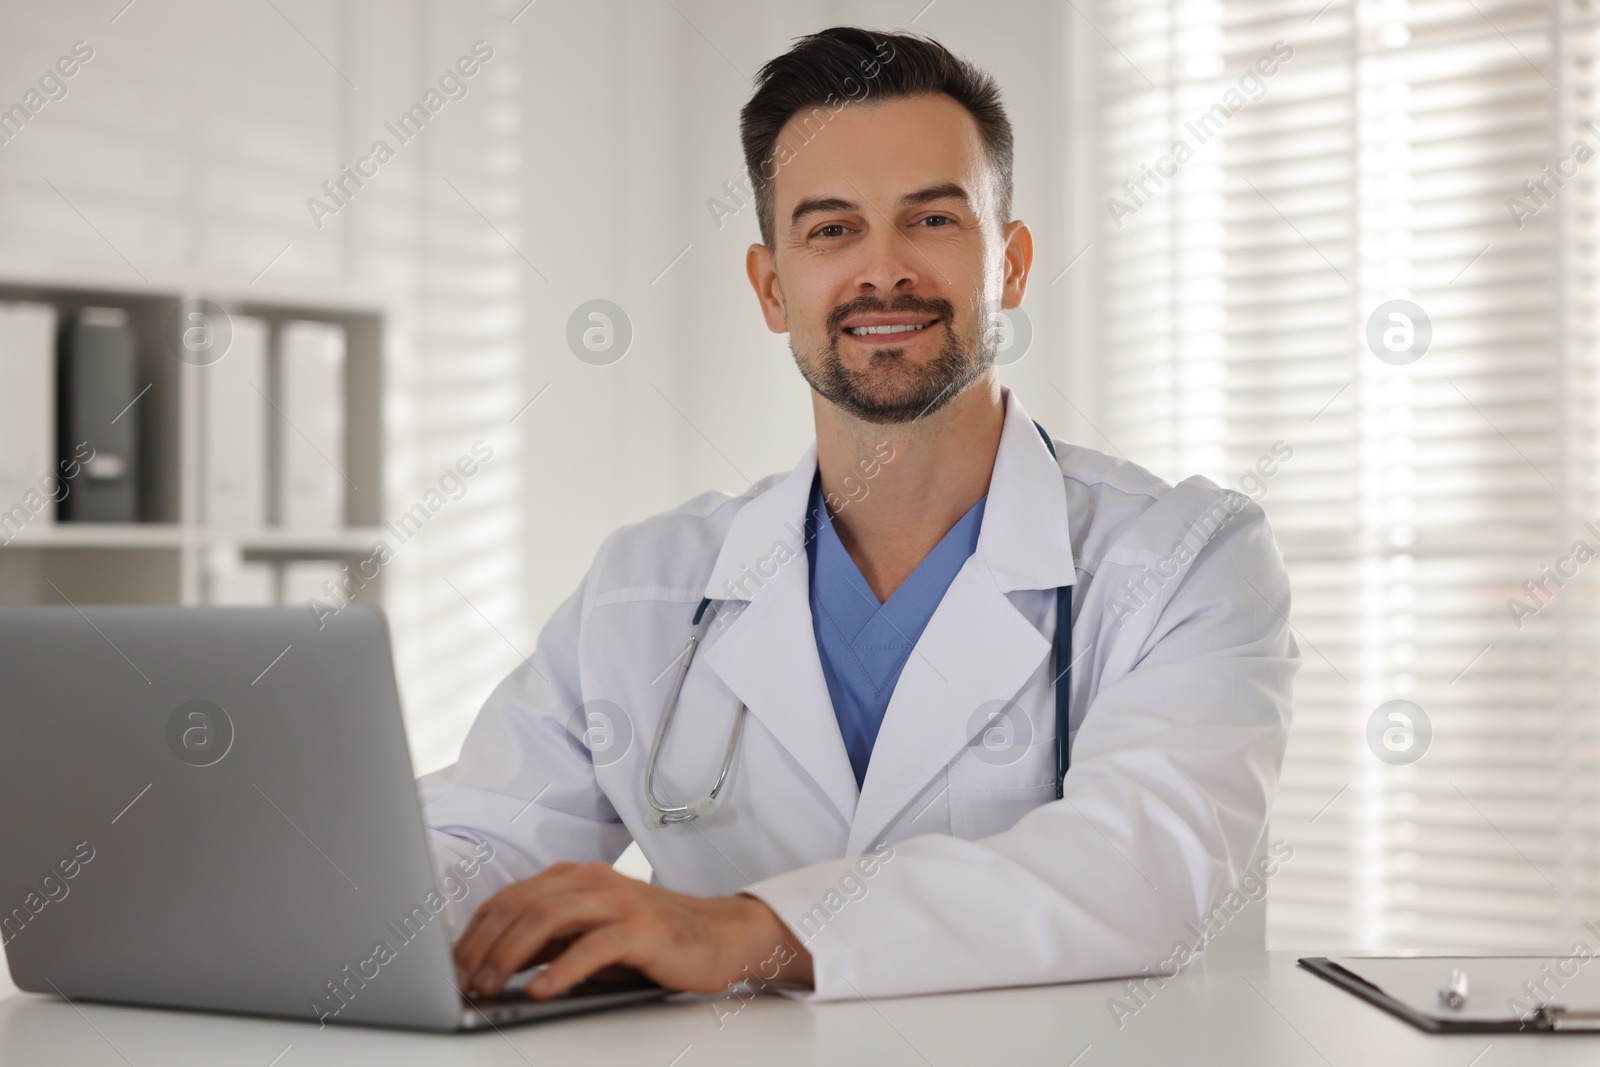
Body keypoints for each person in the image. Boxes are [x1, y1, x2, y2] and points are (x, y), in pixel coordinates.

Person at [421, 26, 1298, 1004]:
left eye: (931, 220)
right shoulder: (645, 587)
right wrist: (383, 904)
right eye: (830, 229)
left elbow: (1142, 872)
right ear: (770, 285)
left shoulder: (1186, 558)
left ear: (1009, 264)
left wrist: (745, 930)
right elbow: (478, 836)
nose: (883, 270)